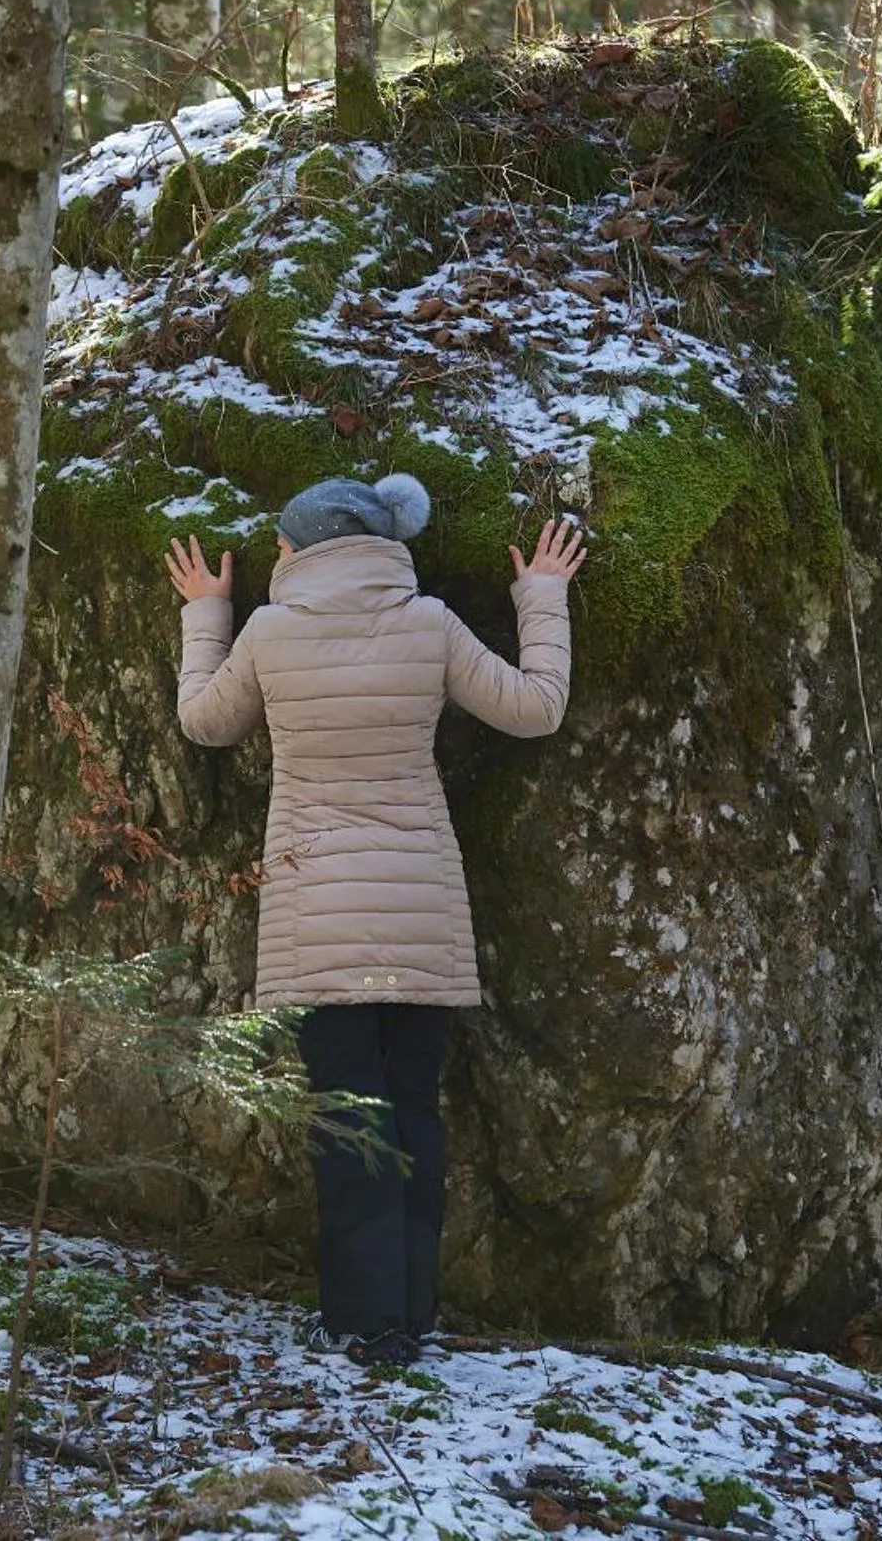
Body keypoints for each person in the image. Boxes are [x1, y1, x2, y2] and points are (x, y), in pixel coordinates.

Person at [166, 472, 582, 1367]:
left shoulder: (271, 634)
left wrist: (208, 613)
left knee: (348, 1118)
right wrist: (541, 596)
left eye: (281, 542)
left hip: (320, 916)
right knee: (413, 1112)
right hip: (421, 909)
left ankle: (360, 1322)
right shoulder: (428, 622)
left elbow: (203, 721)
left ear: (309, 548)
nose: (274, 553)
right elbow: (538, 706)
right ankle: (411, 1315)